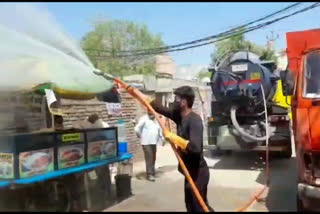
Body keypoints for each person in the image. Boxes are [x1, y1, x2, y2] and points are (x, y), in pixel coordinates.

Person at [149, 86, 213, 212]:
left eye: (176, 98)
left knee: (199, 207)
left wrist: (173, 137)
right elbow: (160, 108)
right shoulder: (179, 116)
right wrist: (139, 94)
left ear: (184, 102)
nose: (174, 101)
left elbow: (195, 148)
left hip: (198, 173)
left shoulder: (194, 120)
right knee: (191, 206)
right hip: (188, 171)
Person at [134, 111, 164, 182]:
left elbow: (159, 129)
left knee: (153, 157)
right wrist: (139, 135)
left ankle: (152, 171)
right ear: (148, 113)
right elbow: (137, 128)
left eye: (153, 114)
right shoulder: (144, 119)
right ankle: (149, 174)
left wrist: (162, 138)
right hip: (146, 142)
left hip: (154, 142)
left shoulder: (156, 120)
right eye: (150, 114)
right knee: (149, 157)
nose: (152, 115)